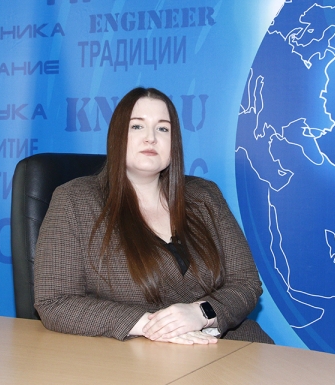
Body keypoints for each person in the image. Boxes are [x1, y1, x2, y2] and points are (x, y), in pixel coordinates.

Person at [34, 87, 273, 345]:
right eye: (137, 126)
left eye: (163, 129)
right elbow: (54, 302)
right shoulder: (75, 201)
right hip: (130, 352)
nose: (151, 138)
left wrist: (200, 313)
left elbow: (246, 283)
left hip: (227, 344)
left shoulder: (205, 196)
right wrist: (153, 325)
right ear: (117, 136)